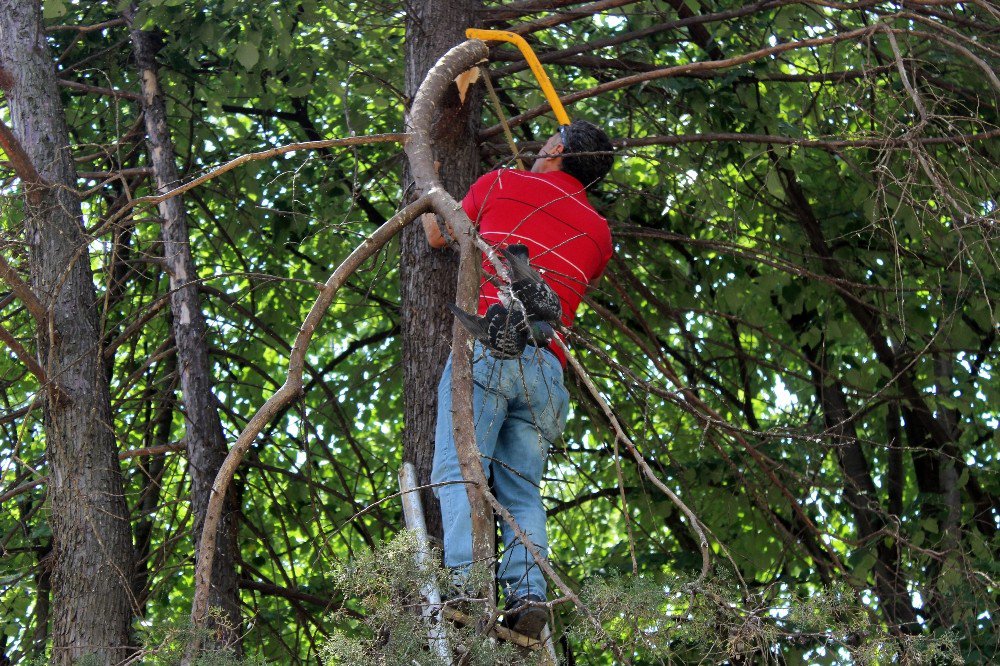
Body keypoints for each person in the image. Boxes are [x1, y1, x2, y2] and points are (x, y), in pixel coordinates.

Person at [424, 119, 614, 638]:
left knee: (461, 470)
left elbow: (439, 233)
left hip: (489, 347)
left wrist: (428, 187)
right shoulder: (600, 234)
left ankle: (466, 588)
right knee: (523, 491)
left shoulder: (502, 183)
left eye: (549, 138)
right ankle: (528, 593)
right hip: (547, 372)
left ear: (556, 148)